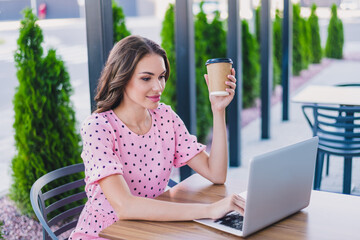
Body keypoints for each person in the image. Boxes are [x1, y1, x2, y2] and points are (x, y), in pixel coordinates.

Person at [69, 35, 244, 240]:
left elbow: (216, 174)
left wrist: (218, 110)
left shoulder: (165, 117)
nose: (158, 87)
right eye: (146, 78)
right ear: (122, 78)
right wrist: (209, 210)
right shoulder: (98, 128)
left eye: (161, 76)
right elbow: (125, 207)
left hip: (152, 230)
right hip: (105, 235)